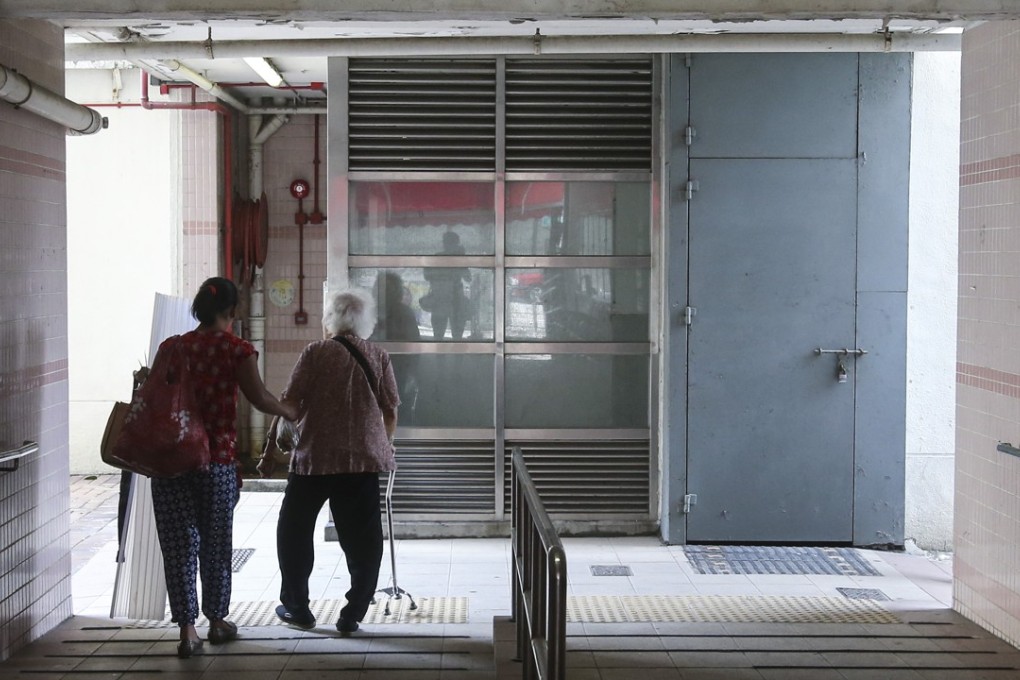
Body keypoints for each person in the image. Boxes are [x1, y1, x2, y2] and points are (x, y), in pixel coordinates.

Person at [150, 277, 297, 659]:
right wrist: (289, 411)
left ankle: (186, 631)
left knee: (178, 546)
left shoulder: (173, 348)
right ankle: (216, 622)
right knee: (216, 544)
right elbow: (260, 397)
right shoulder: (236, 349)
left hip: (170, 459)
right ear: (232, 312)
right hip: (214, 461)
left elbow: (153, 394)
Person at [263, 287, 400, 635]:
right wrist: (381, 444)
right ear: (365, 322)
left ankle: (297, 606)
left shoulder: (316, 352)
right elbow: (390, 411)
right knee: (364, 538)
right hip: (362, 462)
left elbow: (292, 405)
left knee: (294, 528)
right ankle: (353, 612)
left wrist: (275, 419)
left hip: (316, 459)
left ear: (330, 320)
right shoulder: (379, 356)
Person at [371, 271, 421, 423]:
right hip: (387, 370)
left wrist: (413, 373)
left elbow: (414, 346)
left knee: (395, 409)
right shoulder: (372, 312)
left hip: (396, 370)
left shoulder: (403, 313)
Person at [423, 231, 471, 340]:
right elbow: (468, 278)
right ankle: (454, 356)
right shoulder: (454, 259)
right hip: (452, 300)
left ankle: (441, 356)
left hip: (444, 299)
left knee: (439, 336)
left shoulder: (437, 258)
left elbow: (427, 275)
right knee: (454, 336)